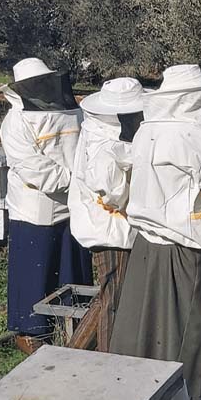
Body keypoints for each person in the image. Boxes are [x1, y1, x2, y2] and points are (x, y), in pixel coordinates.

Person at [110, 64, 201, 400]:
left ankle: (137, 392)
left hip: (146, 243)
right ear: (190, 98)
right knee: (186, 327)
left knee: (146, 323)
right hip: (182, 245)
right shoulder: (193, 136)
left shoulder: (146, 130)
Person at [0, 57, 92, 354]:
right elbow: (32, 168)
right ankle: (31, 331)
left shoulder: (71, 112)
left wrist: (78, 180)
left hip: (71, 203)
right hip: (35, 207)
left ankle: (72, 323)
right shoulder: (15, 122)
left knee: (68, 268)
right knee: (34, 271)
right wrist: (75, 180)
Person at [68, 77, 145, 352]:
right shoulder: (105, 142)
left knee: (108, 295)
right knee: (114, 300)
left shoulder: (97, 130)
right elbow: (113, 195)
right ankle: (105, 362)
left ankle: (70, 355)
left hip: (105, 225)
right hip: (110, 229)